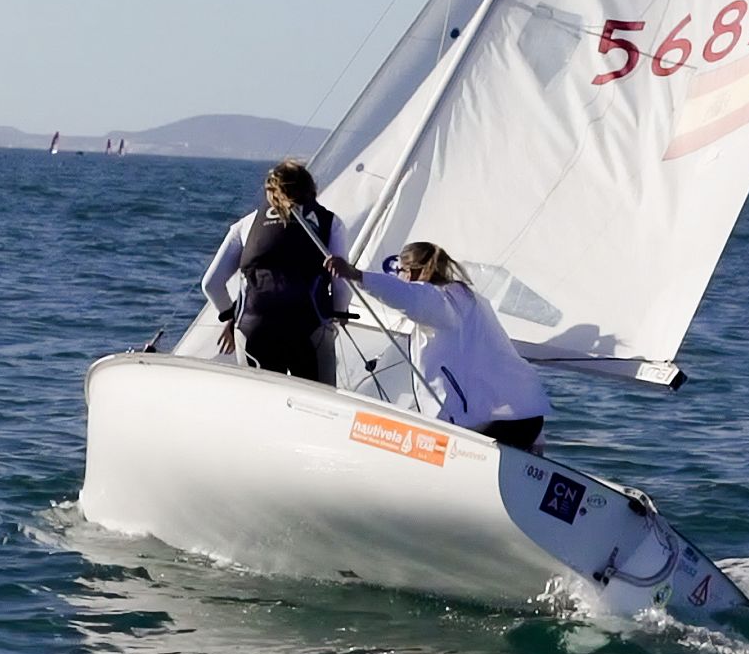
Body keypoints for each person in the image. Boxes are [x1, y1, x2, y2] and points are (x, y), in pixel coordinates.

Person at [323, 242, 551, 450]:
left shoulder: (440, 302)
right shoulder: (470, 299)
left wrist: (355, 275)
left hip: (498, 421)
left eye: (399, 272)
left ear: (410, 273)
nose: (398, 278)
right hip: (528, 412)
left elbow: (410, 297)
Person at [201, 160, 348, 382]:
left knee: (259, 407)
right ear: (311, 189)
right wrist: (339, 314)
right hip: (308, 329)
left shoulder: (246, 224)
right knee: (318, 408)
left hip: (253, 329)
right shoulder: (330, 223)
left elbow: (211, 284)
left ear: (270, 192)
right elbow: (341, 283)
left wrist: (230, 318)